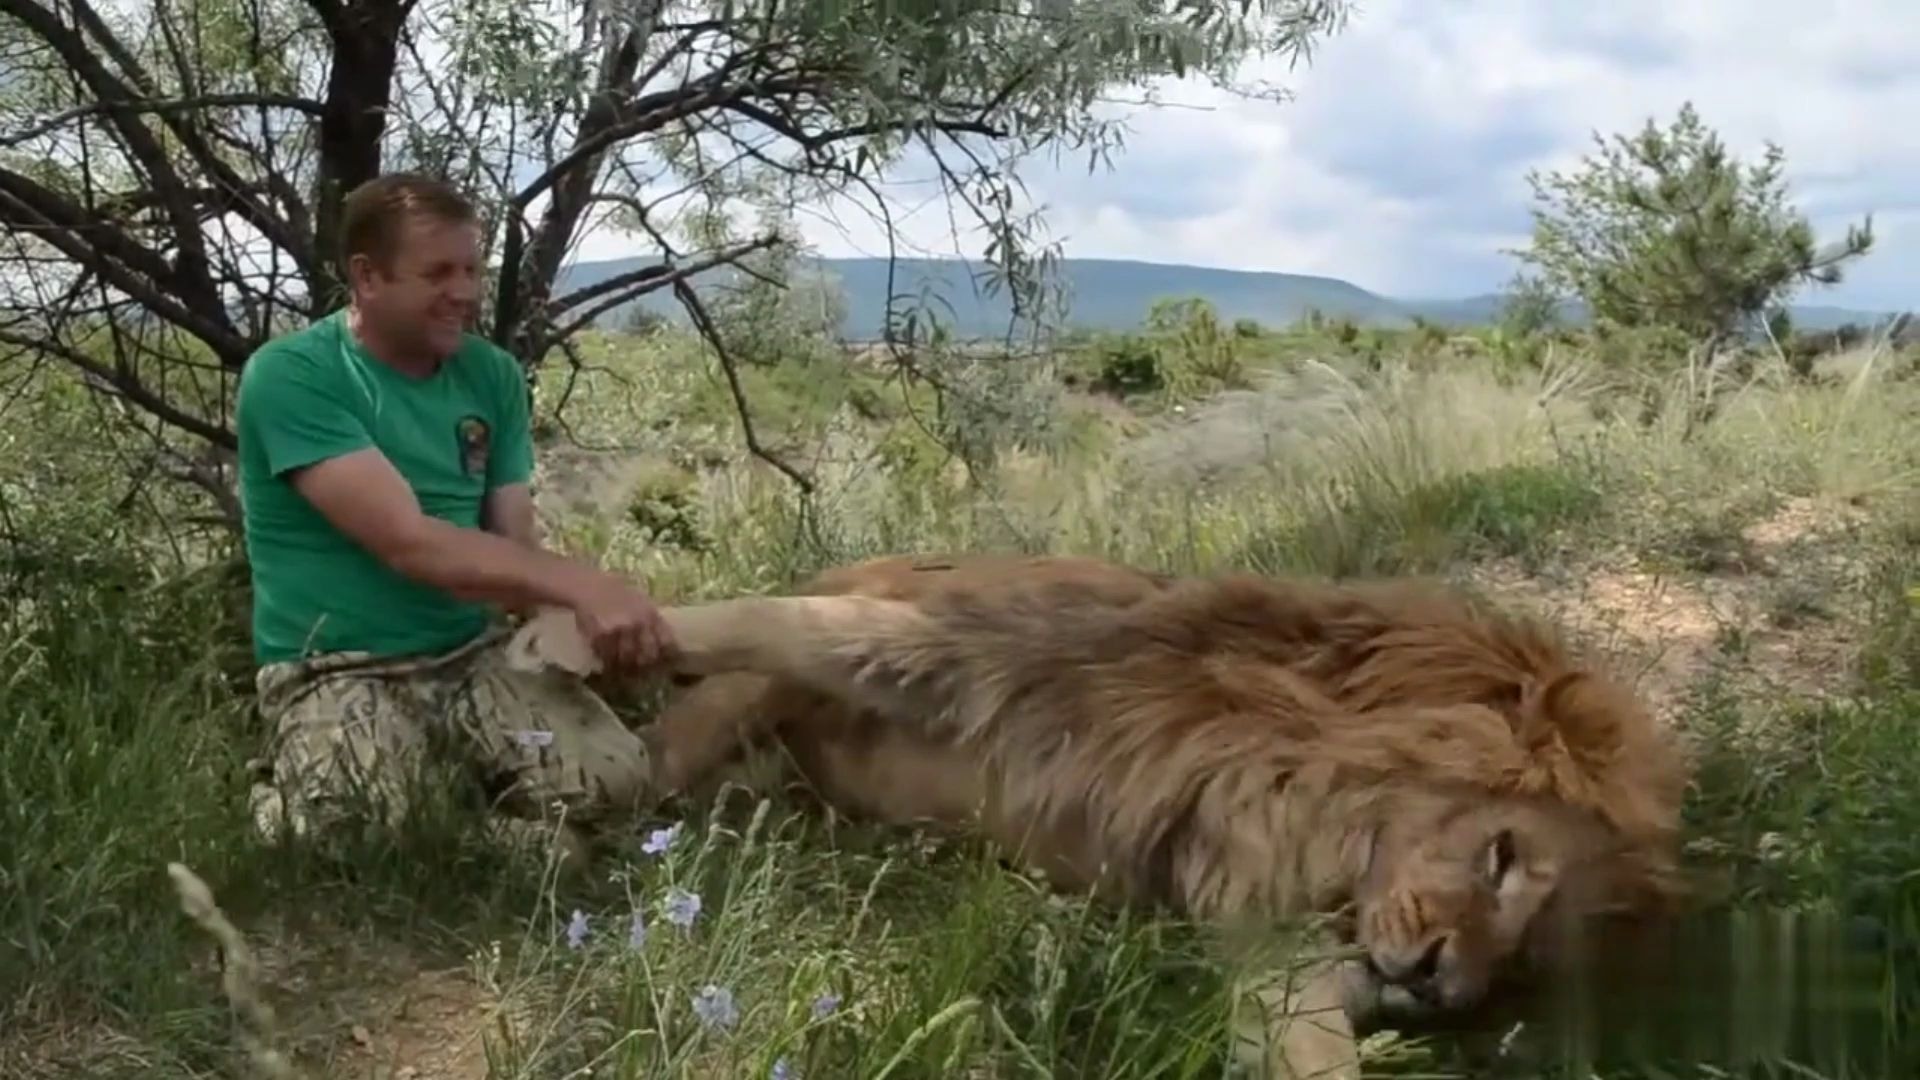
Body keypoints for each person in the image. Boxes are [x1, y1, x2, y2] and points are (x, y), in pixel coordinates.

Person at [235, 171, 676, 866]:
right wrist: (584, 586)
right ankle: (294, 800)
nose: (464, 292)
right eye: (437, 272)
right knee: (364, 830)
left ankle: (453, 807)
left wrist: (573, 620)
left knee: (618, 781)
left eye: (472, 269)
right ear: (368, 277)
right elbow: (410, 545)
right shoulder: (292, 376)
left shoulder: (491, 375)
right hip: (339, 666)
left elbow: (512, 544)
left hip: (469, 656)